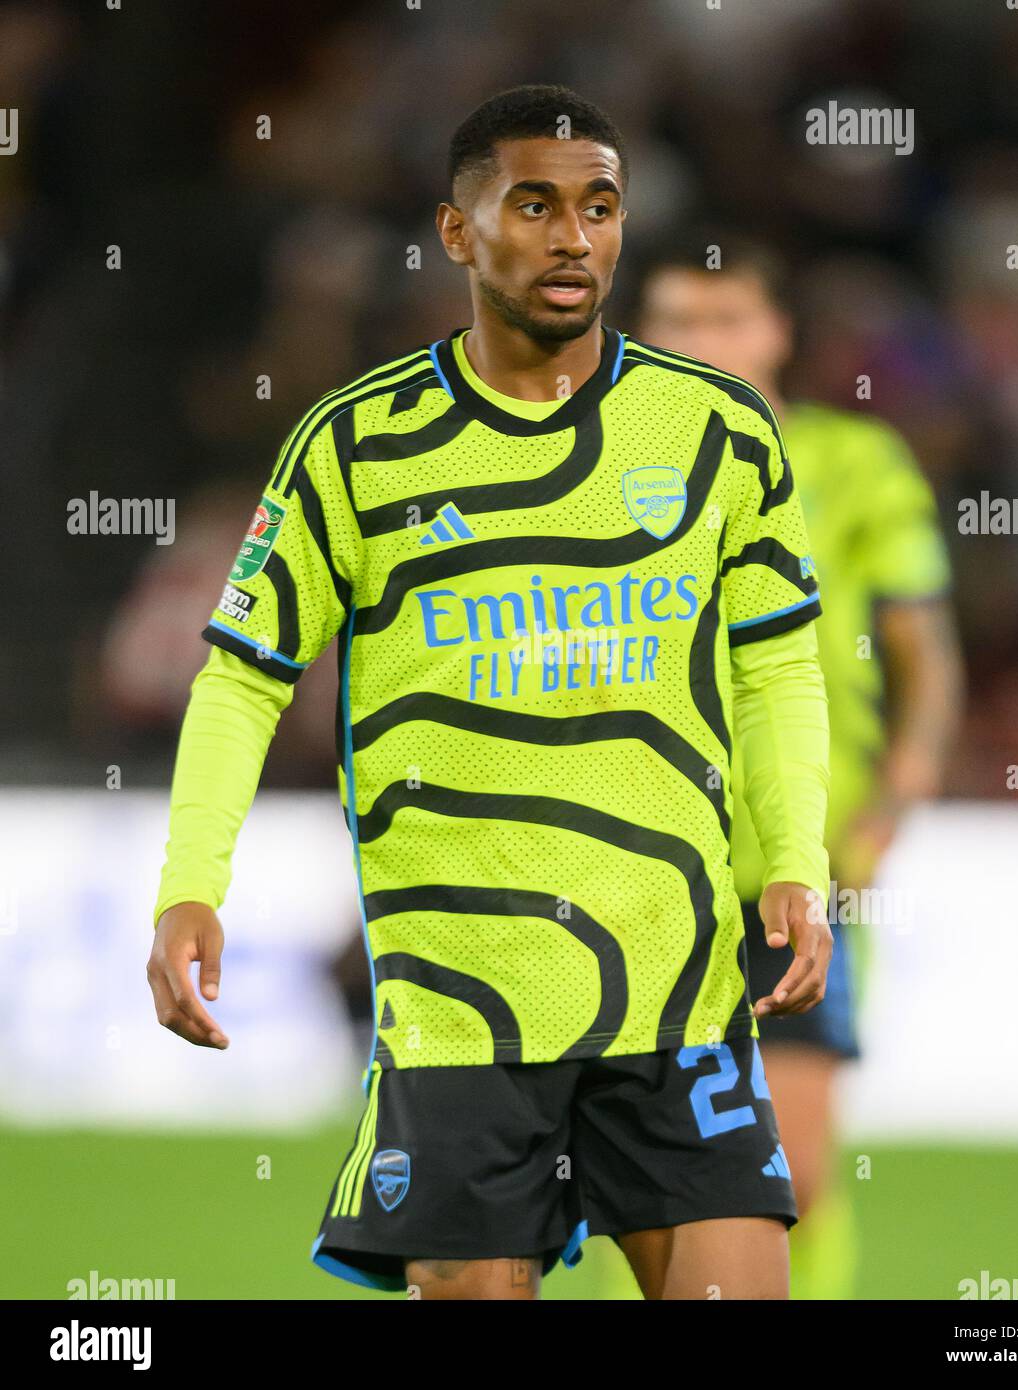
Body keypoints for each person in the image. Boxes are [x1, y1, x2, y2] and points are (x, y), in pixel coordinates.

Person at [148, 86, 832, 1301]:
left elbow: (775, 661)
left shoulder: (718, 432)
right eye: (534, 204)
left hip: (673, 989)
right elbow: (243, 677)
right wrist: (191, 885)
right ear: (458, 233)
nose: (574, 237)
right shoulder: (354, 446)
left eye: (600, 207)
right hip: (465, 1010)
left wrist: (794, 856)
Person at [637, 234, 964, 1297]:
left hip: (801, 862)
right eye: (680, 323)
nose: (705, 343)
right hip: (638, 864)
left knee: (798, 1169)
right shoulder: (596, 473)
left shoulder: (856, 464)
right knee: (646, 1171)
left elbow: (926, 658)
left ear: (778, 331)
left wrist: (892, 806)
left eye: (727, 319)